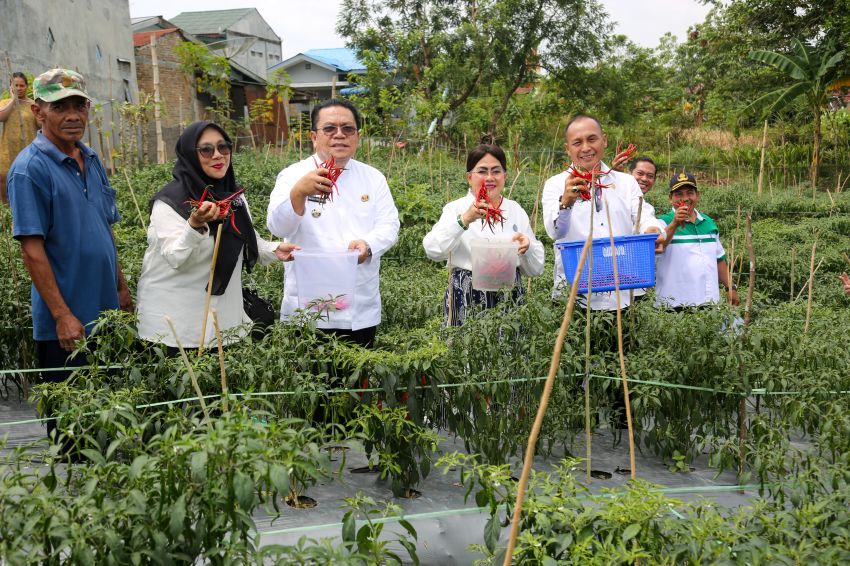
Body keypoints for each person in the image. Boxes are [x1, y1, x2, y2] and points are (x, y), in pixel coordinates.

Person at [7, 68, 133, 381]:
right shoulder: (29, 169)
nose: (72, 115)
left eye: (79, 106)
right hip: (67, 327)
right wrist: (62, 315)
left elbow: (105, 227)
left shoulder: (91, 159)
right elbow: (32, 252)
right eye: (60, 107)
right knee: (70, 422)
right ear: (38, 112)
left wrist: (120, 286)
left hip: (106, 316)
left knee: (110, 418)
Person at [137, 122, 297, 350]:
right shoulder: (170, 203)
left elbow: (247, 240)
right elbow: (176, 258)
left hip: (225, 320)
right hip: (175, 327)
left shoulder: (234, 197)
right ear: (190, 155)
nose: (218, 155)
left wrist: (274, 250)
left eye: (223, 147)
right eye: (206, 150)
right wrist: (194, 225)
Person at [267, 99, 399, 348]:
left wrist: (367, 245)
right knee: (308, 382)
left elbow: (389, 224)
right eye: (329, 129)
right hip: (306, 306)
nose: (339, 135)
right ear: (314, 137)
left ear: (357, 136)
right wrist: (298, 193)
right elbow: (277, 227)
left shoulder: (372, 178)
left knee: (356, 381)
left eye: (347, 128)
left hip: (359, 305)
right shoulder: (292, 175)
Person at [542, 115, 664, 309]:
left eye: (592, 139)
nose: (585, 148)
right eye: (577, 142)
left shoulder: (626, 182)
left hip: (622, 292)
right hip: (575, 295)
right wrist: (565, 202)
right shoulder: (555, 185)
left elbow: (643, 214)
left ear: (604, 140)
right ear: (568, 149)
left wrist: (651, 229)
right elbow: (555, 232)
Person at [423, 144, 544, 325]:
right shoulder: (456, 209)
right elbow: (432, 249)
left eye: (496, 171)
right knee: (465, 346)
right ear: (469, 177)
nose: (489, 178)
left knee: (510, 348)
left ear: (505, 176)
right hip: (466, 292)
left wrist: (527, 247)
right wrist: (464, 220)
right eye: (482, 171)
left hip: (509, 295)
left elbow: (536, 269)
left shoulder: (515, 210)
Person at [655, 172, 740, 309]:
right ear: (670, 198)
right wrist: (675, 223)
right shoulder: (662, 222)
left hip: (709, 304)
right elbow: (658, 245)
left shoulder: (708, 223)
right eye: (679, 194)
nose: (685, 198)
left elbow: (719, 259)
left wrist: (730, 287)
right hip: (674, 306)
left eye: (690, 193)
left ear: (697, 196)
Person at [0, 72, 39, 203]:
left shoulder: (33, 104)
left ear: (27, 87)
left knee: (29, 178)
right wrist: (12, 100)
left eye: (22, 85)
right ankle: (7, 210)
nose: (19, 88)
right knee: (4, 178)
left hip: (28, 148)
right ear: (11, 86)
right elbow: (2, 117)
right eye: (15, 85)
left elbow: (40, 124)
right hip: (7, 150)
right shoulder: (5, 103)